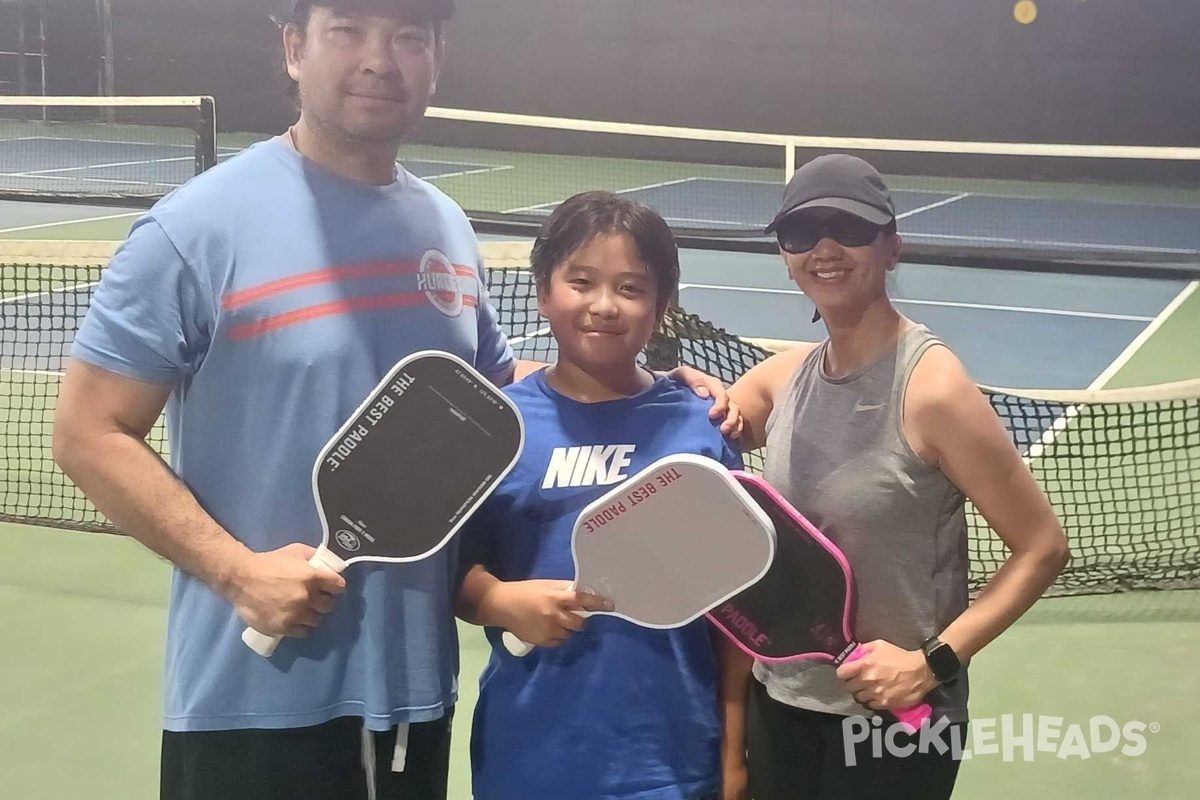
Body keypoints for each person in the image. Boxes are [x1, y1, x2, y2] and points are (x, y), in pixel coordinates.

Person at [50, 3, 735, 799]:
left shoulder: (442, 226)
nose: (381, 59)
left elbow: (485, 394)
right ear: (295, 47)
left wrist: (650, 393)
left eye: (409, 37)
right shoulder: (195, 228)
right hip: (254, 703)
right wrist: (237, 573)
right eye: (349, 30)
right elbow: (86, 432)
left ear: (435, 62)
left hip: (413, 695)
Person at [720, 154, 1070, 800]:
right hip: (784, 702)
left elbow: (1042, 547)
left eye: (848, 228)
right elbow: (716, 412)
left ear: (892, 247)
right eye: (801, 233)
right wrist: (696, 392)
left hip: (898, 726)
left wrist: (931, 663)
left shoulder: (932, 389)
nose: (824, 248)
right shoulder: (789, 375)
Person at [454, 191, 750, 800]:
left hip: (671, 761)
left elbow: (736, 615)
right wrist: (498, 600)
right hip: (529, 755)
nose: (604, 306)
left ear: (663, 307)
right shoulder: (496, 427)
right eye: (581, 281)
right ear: (542, 290)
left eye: (632, 289)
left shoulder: (703, 428)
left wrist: (732, 750)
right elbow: (450, 569)